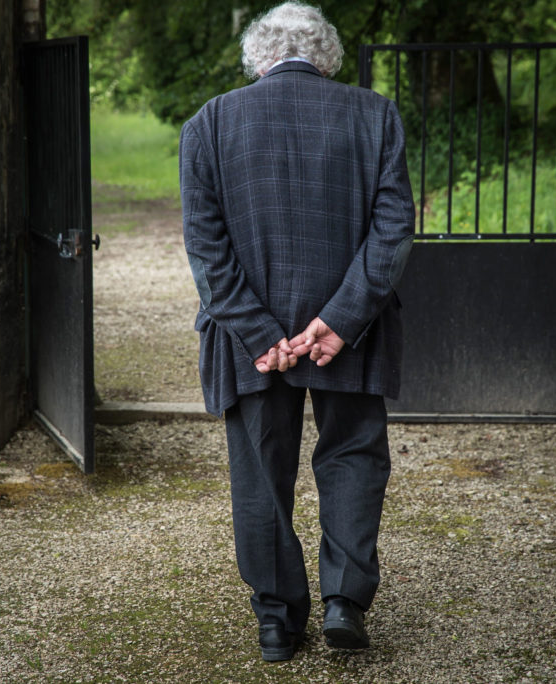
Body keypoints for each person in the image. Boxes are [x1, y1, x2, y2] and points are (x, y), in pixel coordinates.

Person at [179, 1, 415, 662]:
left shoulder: (209, 123)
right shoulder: (376, 115)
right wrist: (339, 322)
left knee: (260, 471)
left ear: (258, 57)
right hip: (354, 332)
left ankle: (278, 620)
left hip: (249, 343)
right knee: (353, 458)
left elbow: (206, 250)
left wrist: (259, 334)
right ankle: (344, 602)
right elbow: (393, 234)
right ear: (326, 55)